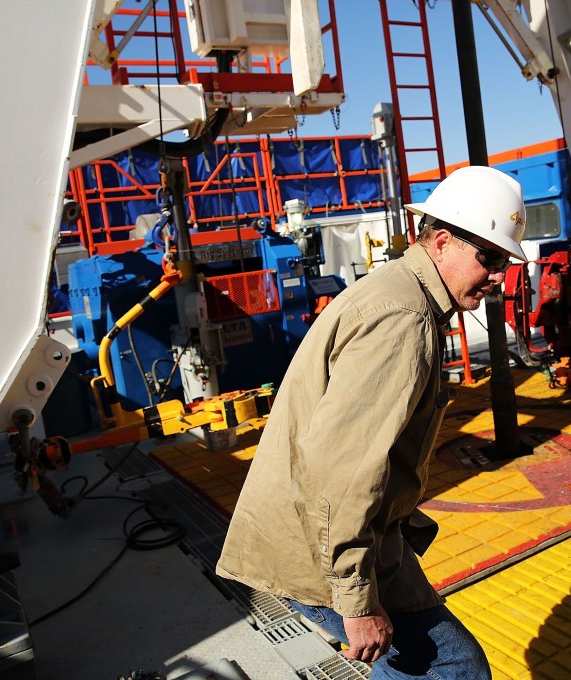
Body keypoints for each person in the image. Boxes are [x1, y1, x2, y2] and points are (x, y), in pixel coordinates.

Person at [216, 166, 526, 678]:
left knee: (405, 664)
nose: (499, 276)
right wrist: (357, 601)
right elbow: (342, 469)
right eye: (488, 257)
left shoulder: (401, 292)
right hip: (318, 549)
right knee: (454, 667)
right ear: (442, 241)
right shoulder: (405, 318)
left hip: (334, 535)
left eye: (503, 261)